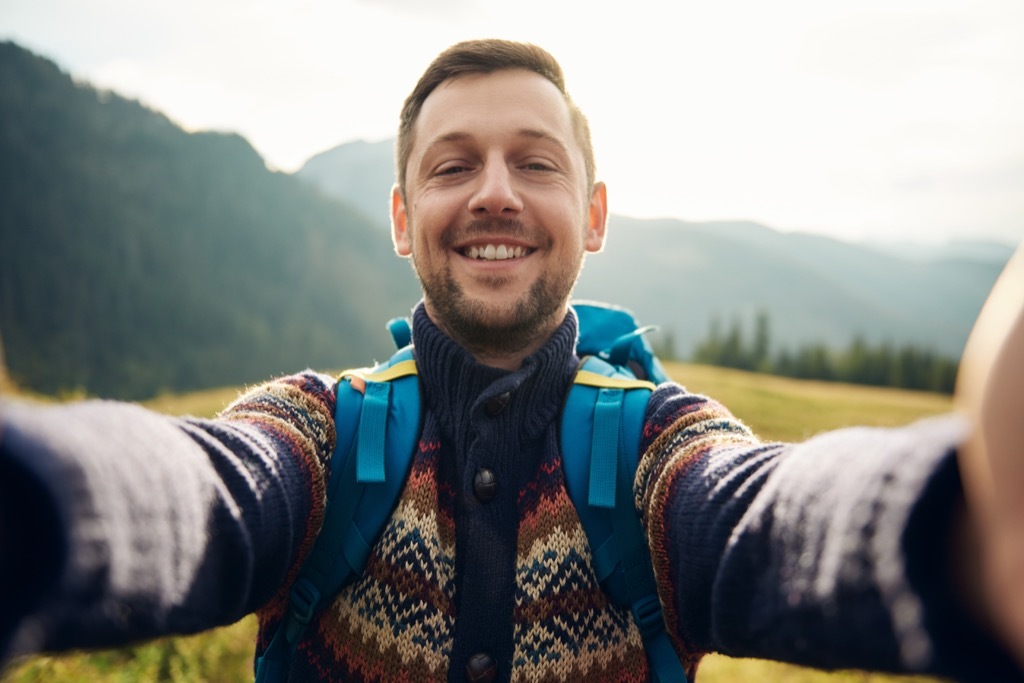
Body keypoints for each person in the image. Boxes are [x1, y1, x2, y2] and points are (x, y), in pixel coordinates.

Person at [1, 38, 1023, 683]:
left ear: (593, 213)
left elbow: (762, 515)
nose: (494, 192)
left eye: (535, 161)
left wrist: (975, 525)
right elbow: (199, 488)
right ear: (404, 220)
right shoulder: (316, 428)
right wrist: (33, 496)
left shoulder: (660, 444)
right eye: (453, 166)